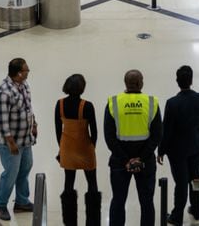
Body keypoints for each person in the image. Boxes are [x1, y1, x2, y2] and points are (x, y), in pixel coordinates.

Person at [104, 69, 162, 226]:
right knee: (147, 202)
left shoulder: (113, 102)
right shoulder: (152, 102)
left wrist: (125, 160)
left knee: (118, 200)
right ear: (140, 83)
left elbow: (109, 137)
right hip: (145, 162)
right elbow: (157, 135)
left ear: (126, 83)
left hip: (119, 162)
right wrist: (140, 159)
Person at [157, 65, 199, 225]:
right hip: (197, 146)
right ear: (192, 80)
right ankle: (196, 210)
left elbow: (167, 129)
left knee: (181, 183)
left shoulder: (172, 103)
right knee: (195, 178)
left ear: (177, 81)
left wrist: (161, 150)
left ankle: (176, 216)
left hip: (178, 150)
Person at [0, 58, 36, 221]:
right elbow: (2, 122)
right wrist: (11, 144)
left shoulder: (23, 85)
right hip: (9, 143)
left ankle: (22, 201)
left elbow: (28, 107)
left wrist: (34, 123)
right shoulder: (4, 92)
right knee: (11, 173)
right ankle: (0, 204)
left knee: (25, 169)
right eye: (26, 70)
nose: (28, 72)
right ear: (18, 73)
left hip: (25, 139)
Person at [55, 74, 99, 226]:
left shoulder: (59, 104)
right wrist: (92, 146)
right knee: (92, 183)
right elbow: (94, 131)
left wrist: (61, 149)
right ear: (82, 88)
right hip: (85, 147)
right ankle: (93, 221)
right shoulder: (87, 106)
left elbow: (57, 129)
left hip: (67, 147)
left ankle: (69, 221)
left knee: (68, 183)